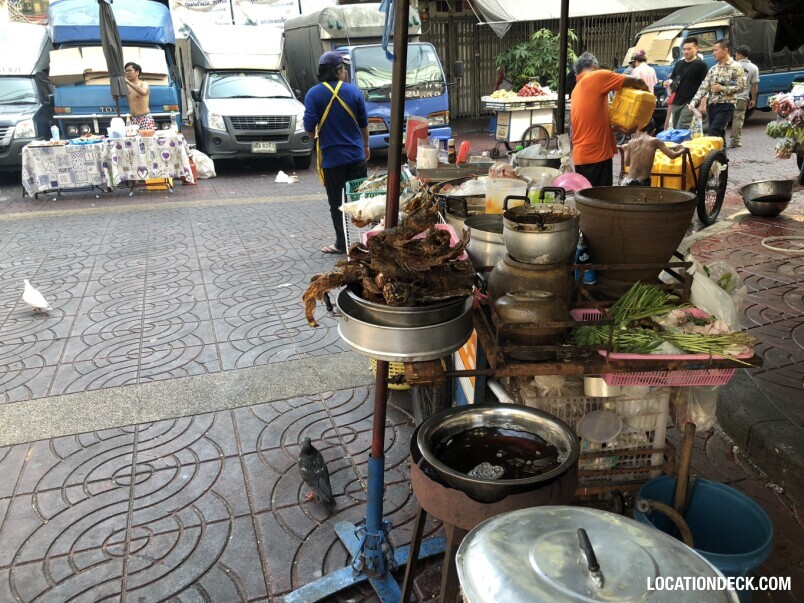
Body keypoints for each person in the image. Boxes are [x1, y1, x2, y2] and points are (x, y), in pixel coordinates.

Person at [303, 51, 369, 255]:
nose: (345, 72)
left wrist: (319, 132)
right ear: (339, 70)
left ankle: (342, 243)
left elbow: (308, 127)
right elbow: (363, 124)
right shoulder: (353, 91)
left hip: (332, 160)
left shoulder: (313, 94)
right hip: (356, 157)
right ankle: (369, 240)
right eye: (344, 68)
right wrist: (366, 146)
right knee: (361, 199)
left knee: (336, 203)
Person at [570, 52, 649, 187]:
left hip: (581, 157)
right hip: (596, 155)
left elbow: (591, 123)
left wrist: (619, 129)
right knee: (601, 198)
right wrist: (649, 100)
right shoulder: (596, 76)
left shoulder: (576, 89)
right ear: (595, 66)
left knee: (588, 197)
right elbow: (638, 82)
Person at [689, 39, 747, 143]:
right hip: (712, 105)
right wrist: (694, 102)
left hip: (727, 105)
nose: (713, 53)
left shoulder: (736, 67)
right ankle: (721, 153)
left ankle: (713, 153)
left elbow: (741, 87)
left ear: (725, 50)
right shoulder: (713, 69)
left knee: (713, 133)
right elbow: (704, 86)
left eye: (716, 50)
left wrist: (722, 88)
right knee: (720, 135)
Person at [621, 120, 686, 186]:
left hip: (629, 180)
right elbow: (672, 155)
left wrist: (626, 150)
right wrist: (681, 149)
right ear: (653, 131)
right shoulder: (655, 141)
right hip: (643, 180)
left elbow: (627, 163)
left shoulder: (631, 142)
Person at [663, 37, 709, 130]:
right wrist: (667, 83)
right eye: (684, 49)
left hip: (690, 103)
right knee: (676, 129)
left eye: (689, 49)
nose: (686, 51)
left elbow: (706, 85)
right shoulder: (679, 64)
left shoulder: (701, 65)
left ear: (696, 49)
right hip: (677, 101)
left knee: (682, 129)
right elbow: (673, 79)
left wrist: (703, 103)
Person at [731, 45, 759, 148]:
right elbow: (754, 86)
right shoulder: (754, 68)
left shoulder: (732, 65)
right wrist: (753, 100)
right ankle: (735, 141)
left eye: (736, 55)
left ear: (740, 55)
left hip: (728, 97)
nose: (735, 57)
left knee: (724, 119)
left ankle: (720, 141)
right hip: (742, 98)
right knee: (738, 119)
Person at [124, 62, 155, 130]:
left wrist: (128, 82)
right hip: (133, 119)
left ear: (137, 72)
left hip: (145, 118)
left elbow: (143, 92)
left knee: (147, 136)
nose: (127, 73)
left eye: (129, 71)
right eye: (126, 71)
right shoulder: (126, 87)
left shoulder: (143, 84)